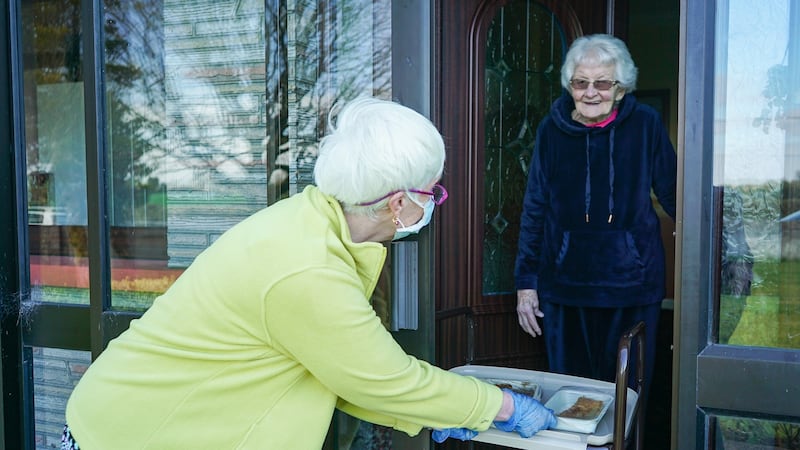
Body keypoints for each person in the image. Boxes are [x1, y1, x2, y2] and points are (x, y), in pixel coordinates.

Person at [62, 97, 555, 449]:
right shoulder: (307, 269)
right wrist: (499, 407)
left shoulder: (310, 222)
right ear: (400, 203)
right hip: (132, 435)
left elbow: (343, 371)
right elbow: (383, 379)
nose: (436, 202)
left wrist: (442, 410)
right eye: (433, 193)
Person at [514, 34, 677, 402]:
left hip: (633, 287)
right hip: (565, 290)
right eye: (580, 82)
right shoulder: (550, 130)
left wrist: (716, 243)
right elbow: (534, 207)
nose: (591, 92)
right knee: (570, 398)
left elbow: (674, 193)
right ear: (569, 85)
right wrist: (526, 283)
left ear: (620, 90)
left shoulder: (646, 125)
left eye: (602, 83)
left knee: (627, 398)